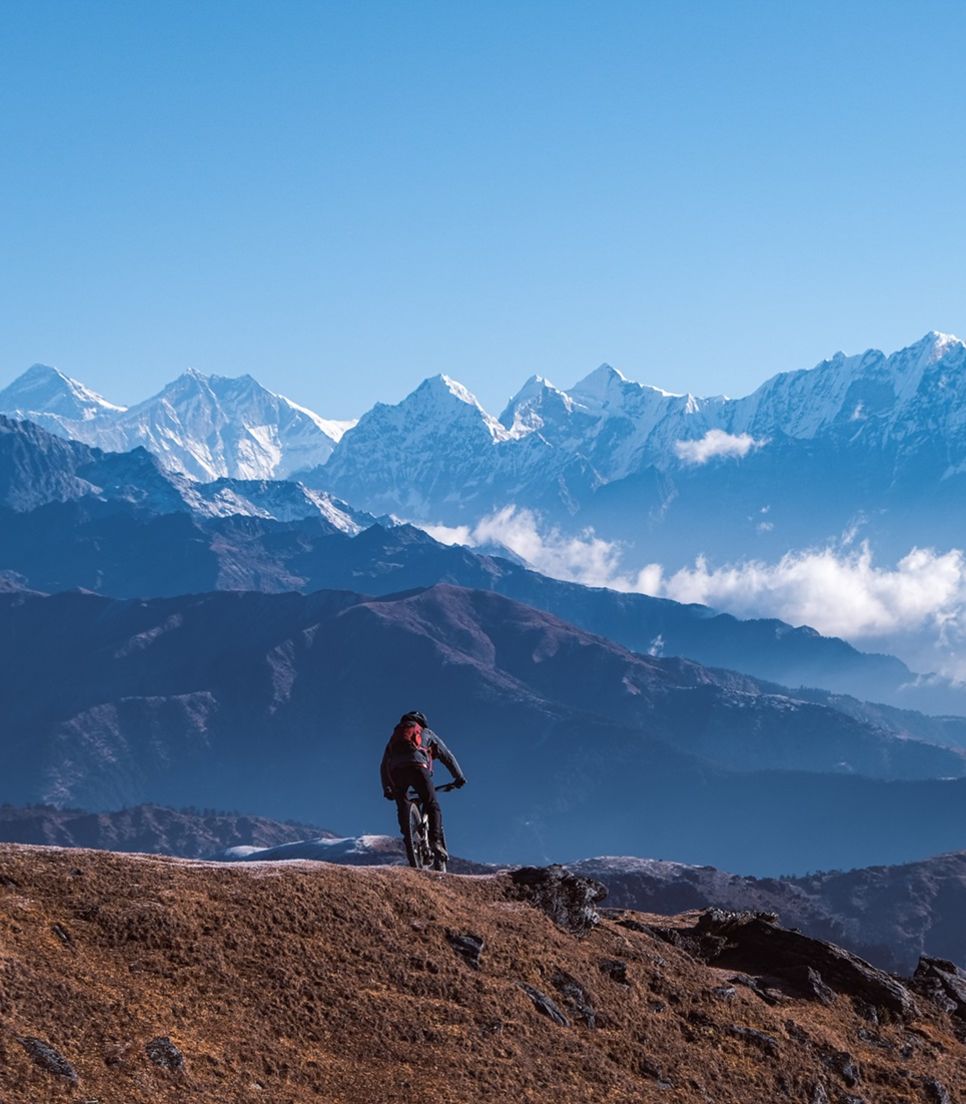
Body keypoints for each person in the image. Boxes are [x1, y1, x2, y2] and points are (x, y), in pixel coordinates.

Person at [380, 710, 466, 867]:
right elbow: (447, 755)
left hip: (396, 772)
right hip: (418, 768)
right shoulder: (426, 732)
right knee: (432, 804)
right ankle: (436, 841)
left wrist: (387, 787)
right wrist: (458, 777)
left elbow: (384, 764)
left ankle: (409, 841)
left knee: (403, 806)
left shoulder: (394, 738)